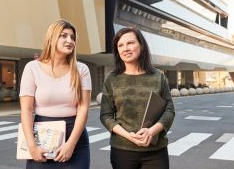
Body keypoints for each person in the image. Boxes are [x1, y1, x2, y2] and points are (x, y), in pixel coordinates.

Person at [19, 19, 91, 169]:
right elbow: (26, 110)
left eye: (72, 37)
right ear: (51, 38)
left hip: (75, 138)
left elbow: (83, 108)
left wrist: (70, 144)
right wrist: (31, 146)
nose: (69, 40)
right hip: (42, 137)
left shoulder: (82, 69)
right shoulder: (32, 68)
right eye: (63, 36)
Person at [100, 27, 175, 169]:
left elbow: (170, 110)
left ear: (141, 45)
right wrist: (129, 136)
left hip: (155, 151)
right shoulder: (112, 79)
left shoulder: (158, 76)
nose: (125, 48)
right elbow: (106, 115)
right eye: (120, 45)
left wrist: (151, 131)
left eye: (130, 43)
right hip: (123, 150)